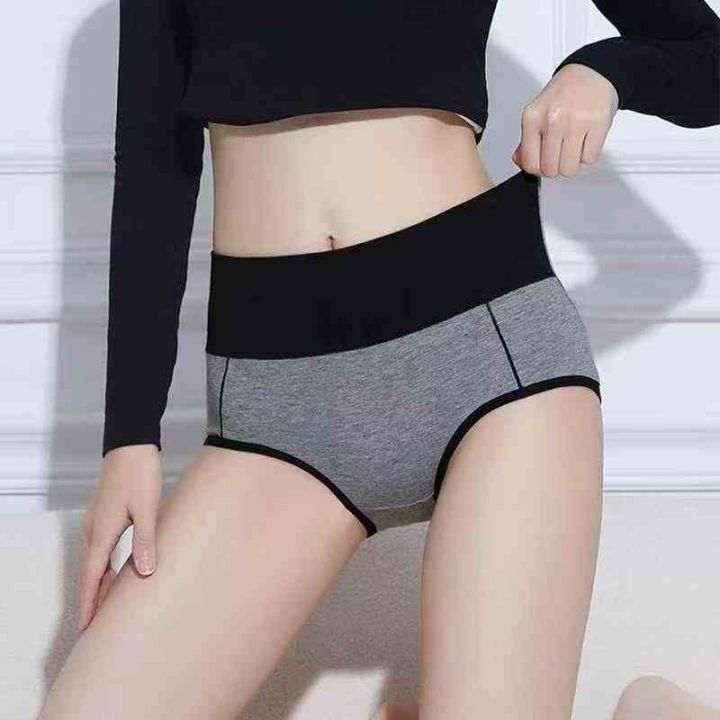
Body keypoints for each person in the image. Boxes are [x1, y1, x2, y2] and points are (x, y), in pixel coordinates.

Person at [38, 1, 719, 718]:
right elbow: (153, 161)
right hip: (274, 400)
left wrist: (604, 72)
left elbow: (707, 57)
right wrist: (129, 437)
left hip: (492, 363)